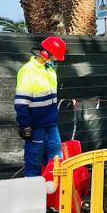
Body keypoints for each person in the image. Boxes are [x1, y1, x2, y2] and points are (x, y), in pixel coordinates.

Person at [15, 36, 67, 177]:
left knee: (57, 163)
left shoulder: (49, 70)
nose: (55, 60)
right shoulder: (27, 71)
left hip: (51, 125)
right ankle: (32, 197)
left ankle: (54, 196)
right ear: (45, 54)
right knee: (34, 165)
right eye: (54, 57)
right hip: (36, 126)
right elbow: (21, 103)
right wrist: (25, 125)